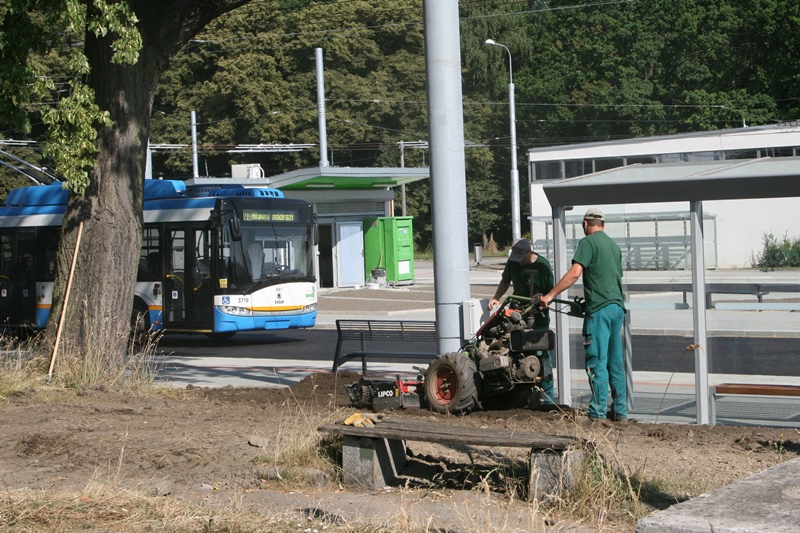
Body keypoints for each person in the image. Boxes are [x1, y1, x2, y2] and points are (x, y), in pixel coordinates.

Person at [538, 208, 627, 422]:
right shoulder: (613, 246)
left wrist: (550, 295)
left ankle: (597, 412)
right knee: (615, 361)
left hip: (600, 310)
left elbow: (576, 273)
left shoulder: (588, 243)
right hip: (617, 308)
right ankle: (621, 411)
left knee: (597, 360)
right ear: (602, 224)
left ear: (586, 224)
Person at [488, 238, 555, 404]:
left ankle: (547, 399)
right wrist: (497, 298)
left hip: (538, 319)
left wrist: (542, 303)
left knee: (542, 356)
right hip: (518, 317)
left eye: (522, 258)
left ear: (529, 252)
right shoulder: (513, 263)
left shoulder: (543, 266)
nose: (519, 262)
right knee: (516, 352)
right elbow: (505, 280)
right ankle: (521, 396)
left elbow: (550, 293)